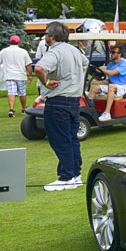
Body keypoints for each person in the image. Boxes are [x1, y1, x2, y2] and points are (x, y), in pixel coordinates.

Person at [34, 21, 88, 191]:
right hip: (73, 101)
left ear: (52, 36)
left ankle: (66, 177)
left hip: (58, 101)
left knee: (60, 140)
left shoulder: (55, 51)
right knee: (71, 139)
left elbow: (39, 68)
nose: (44, 37)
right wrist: (75, 80)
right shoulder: (74, 50)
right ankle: (75, 175)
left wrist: (48, 82)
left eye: (46, 34)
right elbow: (85, 64)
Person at [0, 34, 33, 118]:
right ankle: (23, 109)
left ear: (10, 42)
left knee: (11, 92)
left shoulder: (4, 51)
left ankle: (11, 109)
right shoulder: (23, 51)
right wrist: (30, 75)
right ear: (18, 42)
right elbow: (28, 65)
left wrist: (0, 68)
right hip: (21, 75)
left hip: (9, 75)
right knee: (22, 92)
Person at [89, 45, 126, 121]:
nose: (111, 54)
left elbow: (112, 73)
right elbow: (108, 78)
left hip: (124, 87)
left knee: (111, 86)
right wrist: (98, 76)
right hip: (113, 86)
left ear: (119, 54)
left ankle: (107, 113)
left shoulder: (124, 63)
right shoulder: (110, 65)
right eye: (110, 52)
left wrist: (100, 69)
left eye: (113, 52)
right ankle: (90, 111)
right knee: (94, 88)